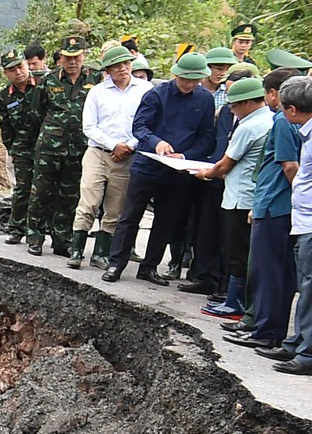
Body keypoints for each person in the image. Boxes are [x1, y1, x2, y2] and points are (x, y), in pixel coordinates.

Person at [102, 51, 218, 284]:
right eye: (185, 79)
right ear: (176, 75)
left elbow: (207, 137)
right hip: (148, 165)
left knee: (166, 220)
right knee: (130, 216)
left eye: (194, 81)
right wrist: (157, 143)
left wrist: (185, 155)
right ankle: (116, 263)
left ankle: (149, 267)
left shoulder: (205, 99)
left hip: (179, 169)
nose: (188, 84)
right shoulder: (157, 93)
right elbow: (140, 127)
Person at [224, 70, 304, 353]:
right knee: (281, 272)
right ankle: (268, 328)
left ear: (275, 94)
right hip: (278, 205)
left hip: (275, 206)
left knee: (267, 271)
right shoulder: (294, 122)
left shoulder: (283, 121)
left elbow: (289, 167)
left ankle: (266, 330)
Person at [197, 74, 273, 322]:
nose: (232, 110)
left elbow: (225, 164)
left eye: (235, 105)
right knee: (249, 252)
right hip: (257, 196)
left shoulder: (249, 126)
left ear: (249, 103)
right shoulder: (271, 121)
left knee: (236, 252)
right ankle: (245, 302)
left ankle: (234, 302)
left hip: (240, 197)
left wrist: (206, 173)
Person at [73, 42, 145, 267]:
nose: (122, 68)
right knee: (89, 200)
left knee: (115, 207)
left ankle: (101, 253)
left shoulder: (145, 90)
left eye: (126, 63)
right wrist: (114, 144)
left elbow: (148, 123)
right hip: (98, 151)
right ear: (108, 70)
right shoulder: (97, 92)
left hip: (128, 155)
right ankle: (77, 251)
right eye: (116, 65)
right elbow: (89, 126)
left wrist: (129, 146)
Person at [26, 33, 96, 257]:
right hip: (49, 148)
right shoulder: (49, 80)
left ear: (84, 56)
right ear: (61, 58)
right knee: (41, 194)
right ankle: (35, 237)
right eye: (68, 58)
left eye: (77, 57)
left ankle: (62, 240)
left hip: (78, 148)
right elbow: (36, 113)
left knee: (69, 196)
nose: (72, 62)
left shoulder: (95, 80)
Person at [181, 46, 243, 291]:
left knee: (229, 238)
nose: (231, 103)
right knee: (205, 229)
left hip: (231, 180)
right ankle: (205, 277)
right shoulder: (226, 113)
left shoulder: (259, 121)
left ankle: (225, 285)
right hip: (212, 177)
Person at [262, 77, 312, 372]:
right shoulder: (305, 133)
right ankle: (297, 341)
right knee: (303, 283)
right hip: (302, 219)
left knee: (309, 287)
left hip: (309, 221)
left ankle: (308, 353)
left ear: (292, 110)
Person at [0, 51, 42, 243]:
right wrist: (12, 149)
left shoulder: (44, 84)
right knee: (23, 189)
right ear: (6, 73)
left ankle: (48, 229)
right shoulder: (4, 96)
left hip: (47, 146)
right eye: (12, 70)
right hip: (22, 149)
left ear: (26, 65)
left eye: (20, 67)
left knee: (46, 189)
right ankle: (17, 228)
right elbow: (5, 127)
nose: (18, 72)